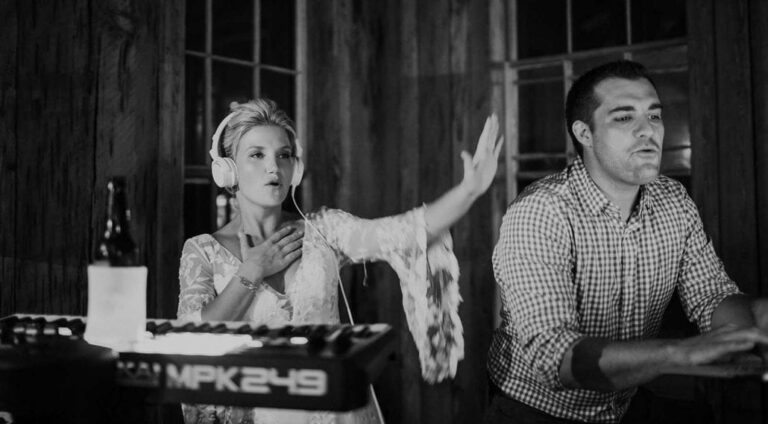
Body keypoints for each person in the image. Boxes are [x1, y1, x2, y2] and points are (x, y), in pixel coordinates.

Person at [178, 98, 503, 424]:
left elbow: (406, 231)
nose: (273, 167)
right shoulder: (202, 251)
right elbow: (193, 342)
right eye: (257, 154)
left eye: (284, 154)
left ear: (296, 168)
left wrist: (469, 191)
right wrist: (253, 269)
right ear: (228, 170)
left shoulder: (325, 231)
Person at [485, 60, 768, 424]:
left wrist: (754, 322)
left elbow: (711, 296)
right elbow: (555, 358)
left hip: (623, 403)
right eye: (623, 118)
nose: (647, 130)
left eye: (654, 115)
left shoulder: (673, 200)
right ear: (584, 134)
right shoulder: (542, 212)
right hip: (536, 411)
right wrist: (678, 354)